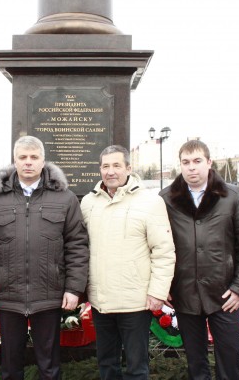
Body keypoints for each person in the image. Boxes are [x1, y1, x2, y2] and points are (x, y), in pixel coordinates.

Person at [0, 135, 88, 380]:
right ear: (14, 161)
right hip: (8, 297)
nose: (28, 162)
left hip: (49, 295)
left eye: (34, 157)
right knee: (11, 367)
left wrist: (74, 288)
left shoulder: (65, 199)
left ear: (43, 161)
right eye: (22, 157)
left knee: (49, 366)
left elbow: (77, 246)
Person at [159, 140, 239, 380]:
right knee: (196, 363)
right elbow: (158, 245)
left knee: (230, 359)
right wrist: (164, 287)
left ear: (209, 162)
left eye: (197, 161)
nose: (192, 168)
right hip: (185, 293)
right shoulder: (166, 198)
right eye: (186, 162)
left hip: (224, 295)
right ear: (180, 165)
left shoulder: (230, 195)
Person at [81, 145, 176, 380]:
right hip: (101, 302)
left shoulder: (150, 202)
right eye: (105, 166)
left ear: (128, 168)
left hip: (135, 303)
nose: (110, 171)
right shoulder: (88, 203)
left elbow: (163, 251)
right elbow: (80, 249)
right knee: (107, 365)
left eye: (116, 165)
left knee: (136, 368)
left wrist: (157, 293)